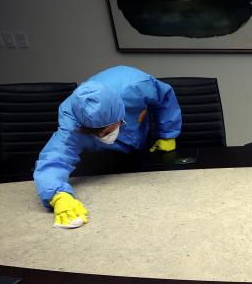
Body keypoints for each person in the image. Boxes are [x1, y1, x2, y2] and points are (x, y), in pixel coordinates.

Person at [34, 66, 182, 228]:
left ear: (120, 114)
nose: (103, 137)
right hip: (106, 163)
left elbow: (164, 98)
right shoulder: (72, 126)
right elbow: (54, 160)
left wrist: (168, 134)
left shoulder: (136, 86)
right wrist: (58, 195)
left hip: (141, 143)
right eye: (96, 134)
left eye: (107, 131)